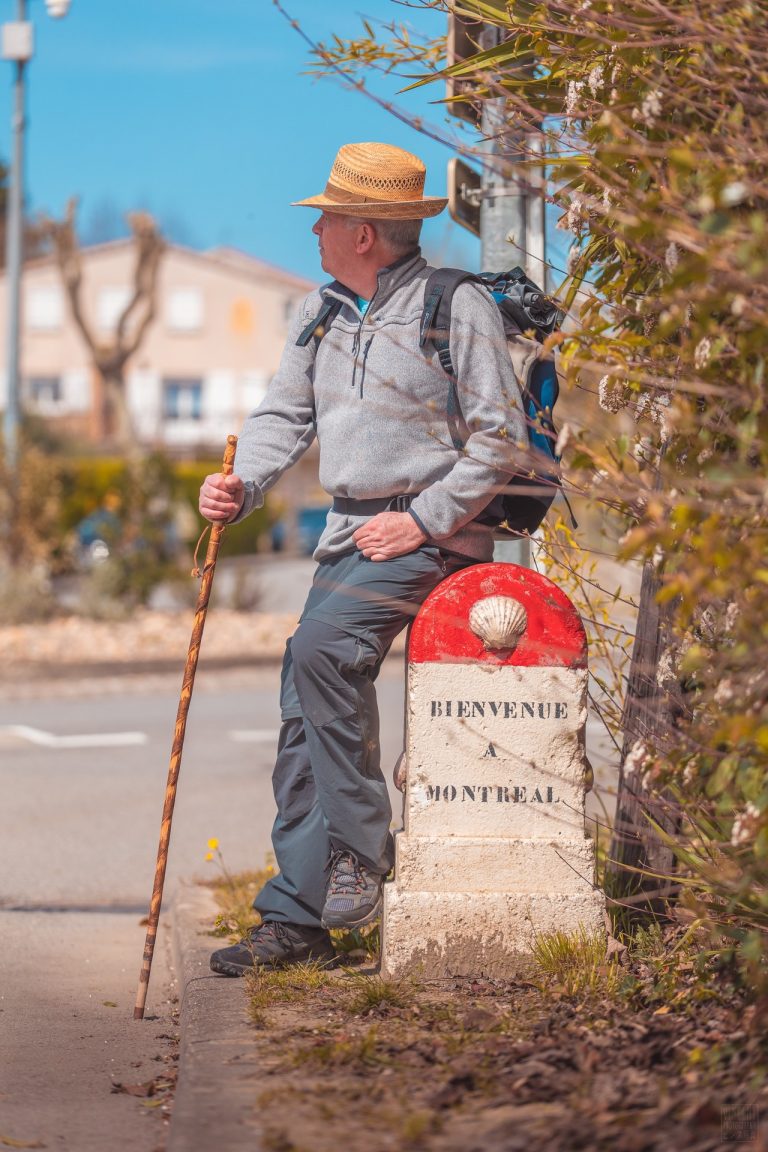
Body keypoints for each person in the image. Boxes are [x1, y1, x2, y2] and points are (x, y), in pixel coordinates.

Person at [199, 141, 526, 975]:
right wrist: (240, 483)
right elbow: (282, 414)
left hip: (431, 537)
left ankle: (356, 853)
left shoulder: (458, 308)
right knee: (301, 701)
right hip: (352, 538)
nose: (314, 233)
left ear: (363, 233)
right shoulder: (322, 312)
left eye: (325, 220)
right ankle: (301, 917)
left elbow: (500, 441)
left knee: (319, 654)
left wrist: (421, 522)